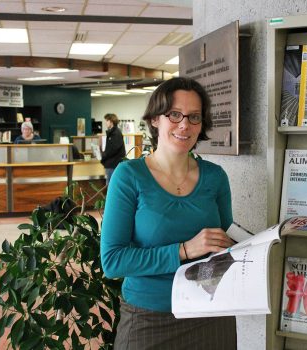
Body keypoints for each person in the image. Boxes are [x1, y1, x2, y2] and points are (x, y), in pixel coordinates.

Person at [101, 77, 237, 349]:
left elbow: (223, 241)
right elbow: (113, 261)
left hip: (211, 313)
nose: (184, 124)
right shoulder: (129, 176)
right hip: (148, 317)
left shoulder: (215, 177)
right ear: (155, 119)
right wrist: (183, 250)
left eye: (194, 117)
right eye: (174, 114)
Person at [100, 113, 125, 185]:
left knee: (111, 185)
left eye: (107, 121)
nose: (105, 123)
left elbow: (113, 149)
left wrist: (103, 156)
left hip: (113, 164)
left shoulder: (116, 133)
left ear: (111, 121)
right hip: (111, 163)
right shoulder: (112, 133)